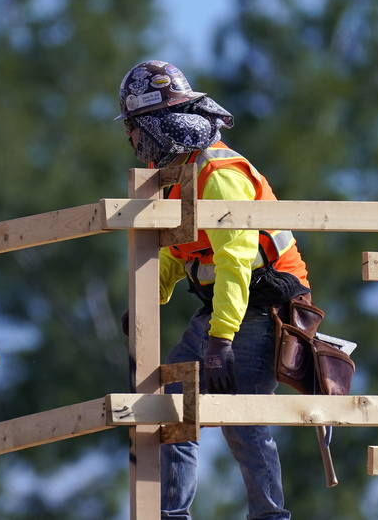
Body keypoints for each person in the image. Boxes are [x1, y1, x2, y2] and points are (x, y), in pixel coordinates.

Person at [115, 60, 312, 520]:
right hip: (226, 310)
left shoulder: (216, 174)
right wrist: (146, 301)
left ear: (156, 126)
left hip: (263, 310)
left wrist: (221, 341)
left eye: (133, 129)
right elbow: (173, 250)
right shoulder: (178, 176)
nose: (132, 140)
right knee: (174, 408)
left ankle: (270, 517)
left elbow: (237, 262)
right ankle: (172, 514)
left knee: (243, 420)